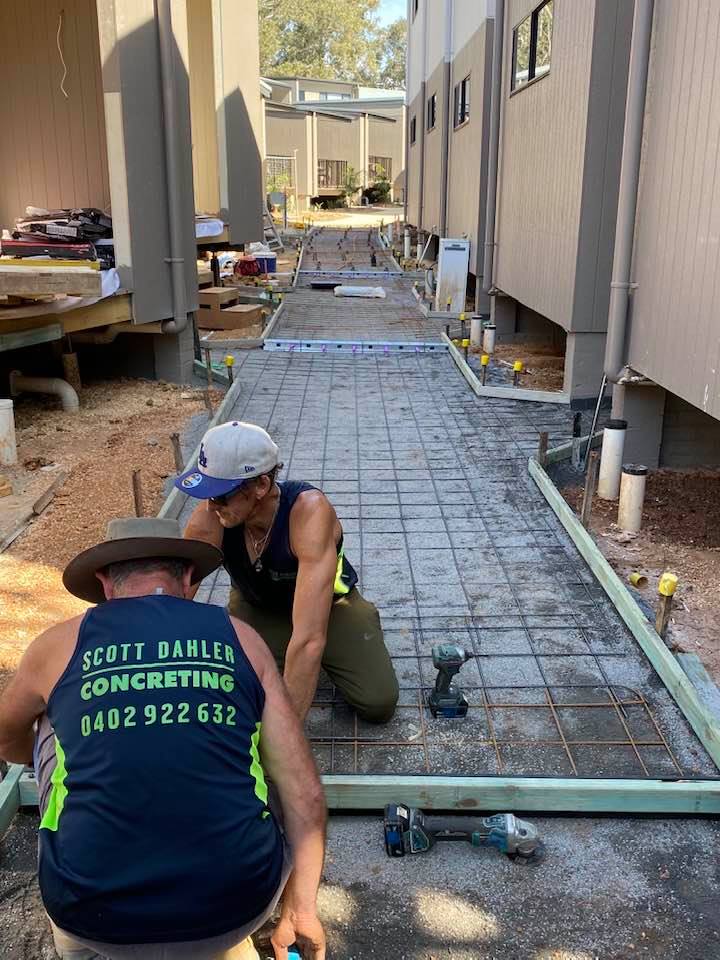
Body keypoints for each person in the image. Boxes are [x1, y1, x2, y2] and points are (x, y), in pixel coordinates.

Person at [0, 517, 326, 960]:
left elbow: (4, 738)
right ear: (189, 579)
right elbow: (305, 796)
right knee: (256, 744)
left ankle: (74, 938)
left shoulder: (56, 645)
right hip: (235, 909)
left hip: (90, 914)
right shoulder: (240, 638)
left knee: (52, 722)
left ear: (104, 583)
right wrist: (300, 912)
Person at [177, 421, 399, 722]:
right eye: (207, 491)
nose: (211, 504)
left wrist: (284, 742)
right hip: (257, 607)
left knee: (378, 702)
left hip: (329, 611)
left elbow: (309, 638)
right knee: (230, 693)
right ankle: (280, 654)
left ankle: (356, 626)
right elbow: (174, 600)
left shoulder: (307, 512)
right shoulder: (212, 515)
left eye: (221, 494)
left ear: (261, 486)